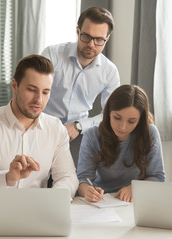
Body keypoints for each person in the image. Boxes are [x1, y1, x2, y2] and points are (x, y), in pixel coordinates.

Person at [0, 55, 79, 206]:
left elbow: (68, 177)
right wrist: (7, 177)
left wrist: (55, 199)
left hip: (37, 214)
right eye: (31, 90)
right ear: (15, 86)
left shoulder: (55, 128)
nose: (39, 100)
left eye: (45, 92)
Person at [41, 6, 120, 165]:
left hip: (78, 135)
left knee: (76, 183)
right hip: (43, 129)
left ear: (107, 38)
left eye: (99, 40)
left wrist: (78, 126)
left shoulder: (109, 72)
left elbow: (110, 114)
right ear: (78, 31)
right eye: (86, 36)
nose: (91, 44)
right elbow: (34, 91)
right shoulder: (52, 55)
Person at [77, 85, 165, 203]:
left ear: (140, 120)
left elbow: (158, 178)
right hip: (104, 200)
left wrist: (135, 188)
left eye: (131, 121)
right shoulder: (92, 135)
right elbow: (83, 179)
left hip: (137, 200)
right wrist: (87, 191)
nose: (122, 127)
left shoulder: (150, 133)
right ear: (108, 113)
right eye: (117, 118)